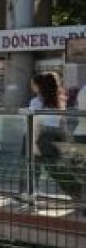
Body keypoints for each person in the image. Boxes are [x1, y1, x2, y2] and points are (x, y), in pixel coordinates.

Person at [29, 71, 85, 204]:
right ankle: (76, 193)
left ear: (40, 86)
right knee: (58, 168)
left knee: (37, 166)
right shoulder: (59, 100)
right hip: (56, 135)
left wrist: (33, 143)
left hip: (42, 136)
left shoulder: (36, 102)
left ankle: (28, 193)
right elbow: (62, 121)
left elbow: (34, 123)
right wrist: (66, 137)